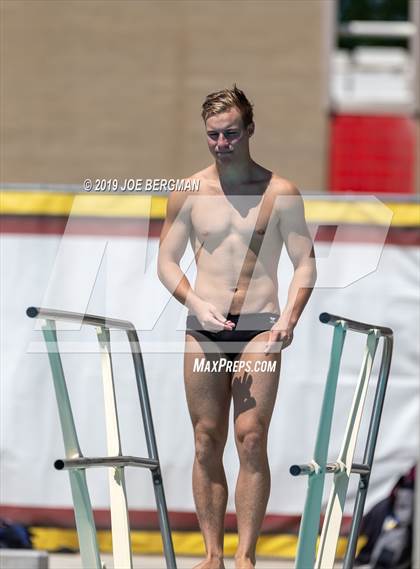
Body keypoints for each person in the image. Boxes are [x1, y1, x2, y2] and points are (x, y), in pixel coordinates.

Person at [157, 85, 317, 569]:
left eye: (230, 133)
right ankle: (212, 554)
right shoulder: (188, 192)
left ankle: (245, 554)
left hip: (260, 328)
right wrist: (194, 301)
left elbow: (305, 263)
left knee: (251, 435)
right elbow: (165, 261)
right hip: (203, 327)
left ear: (249, 130)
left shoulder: (280, 192)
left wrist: (289, 320)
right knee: (207, 436)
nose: (222, 143)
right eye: (213, 135)